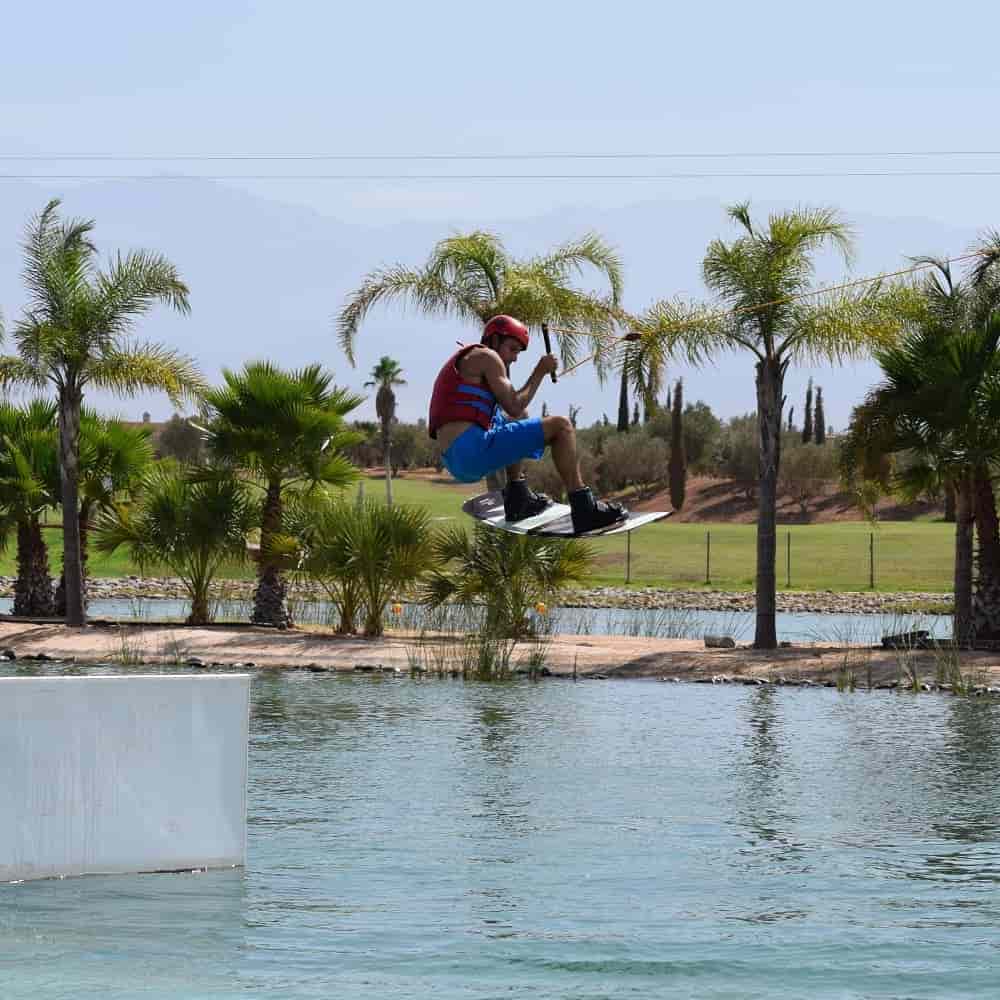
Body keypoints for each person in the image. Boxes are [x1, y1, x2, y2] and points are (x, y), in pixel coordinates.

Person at [429, 314, 627, 533]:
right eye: (512, 349)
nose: (515, 358)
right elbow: (514, 404)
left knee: (514, 420)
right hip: (471, 451)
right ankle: (584, 509)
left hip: (454, 460)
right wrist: (540, 370)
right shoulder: (487, 357)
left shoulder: (469, 358)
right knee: (561, 426)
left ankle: (517, 499)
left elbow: (514, 412)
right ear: (494, 340)